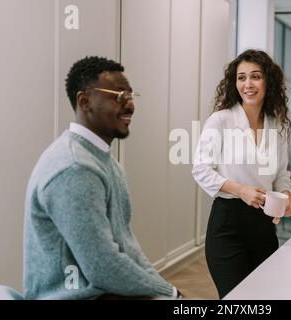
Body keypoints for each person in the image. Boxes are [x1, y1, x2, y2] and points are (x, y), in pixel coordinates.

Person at [23, 56, 181, 300]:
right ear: (85, 101)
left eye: (130, 96)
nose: (130, 105)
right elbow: (103, 266)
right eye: (119, 96)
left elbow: (127, 247)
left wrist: (165, 290)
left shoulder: (104, 161)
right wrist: (169, 294)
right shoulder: (74, 167)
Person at [192, 49, 291, 298]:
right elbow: (201, 168)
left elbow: (281, 172)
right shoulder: (221, 120)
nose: (247, 84)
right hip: (228, 225)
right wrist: (241, 190)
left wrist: (286, 193)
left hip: (264, 225)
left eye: (255, 76)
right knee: (235, 299)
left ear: (268, 81)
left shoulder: (278, 124)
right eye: (241, 77)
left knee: (262, 298)